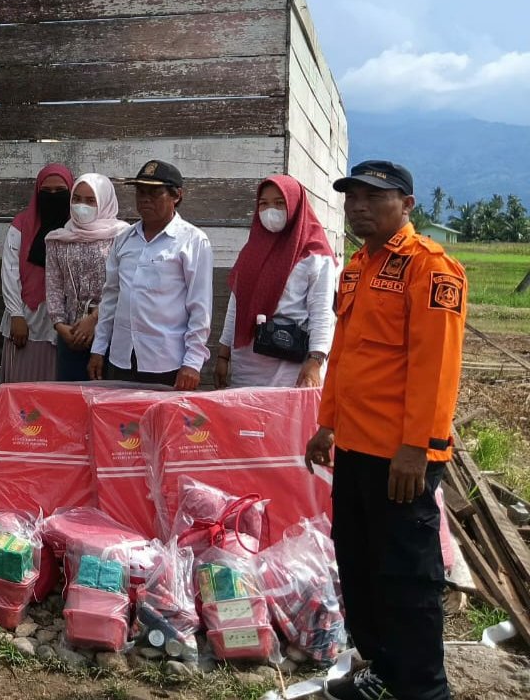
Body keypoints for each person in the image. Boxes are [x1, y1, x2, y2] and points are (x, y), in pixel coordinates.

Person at [304, 160, 466, 700]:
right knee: (359, 565)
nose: (359, 206)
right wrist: (326, 424)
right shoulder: (356, 267)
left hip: (402, 458)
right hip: (353, 449)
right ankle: (383, 669)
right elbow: (346, 356)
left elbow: (435, 367)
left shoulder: (430, 269)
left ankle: (423, 689)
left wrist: (417, 448)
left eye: (375, 197)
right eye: (352, 197)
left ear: (407, 206)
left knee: (408, 579)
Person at [87, 160, 213, 388]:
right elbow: (111, 298)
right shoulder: (124, 239)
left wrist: (193, 363)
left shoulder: (193, 241)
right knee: (122, 422)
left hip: (167, 362)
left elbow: (200, 308)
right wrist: (99, 348)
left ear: (176, 196)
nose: (145, 199)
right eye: (140, 191)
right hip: (121, 358)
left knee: (163, 423)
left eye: (155, 192)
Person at [214, 175, 337, 389]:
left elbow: (322, 313)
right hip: (246, 368)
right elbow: (236, 305)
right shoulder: (251, 252)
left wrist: (316, 361)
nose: (270, 210)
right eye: (263, 204)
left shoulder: (315, 255)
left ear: (295, 205)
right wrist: (223, 355)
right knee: (246, 422)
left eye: (280, 203)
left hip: (290, 368)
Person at [45, 174, 131, 381]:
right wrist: (60, 325)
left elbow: (124, 287)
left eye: (91, 200)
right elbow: (54, 285)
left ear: (104, 201)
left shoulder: (122, 236)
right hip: (71, 335)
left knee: (107, 401)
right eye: (77, 199)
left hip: (110, 333)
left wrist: (94, 320)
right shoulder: (58, 238)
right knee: (70, 403)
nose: (82, 205)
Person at [0, 164, 72, 383]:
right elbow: (10, 271)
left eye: (60, 191)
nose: (52, 197)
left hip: (61, 324)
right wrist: (16, 315)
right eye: (46, 192)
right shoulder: (22, 225)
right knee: (21, 390)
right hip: (24, 321)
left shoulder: (75, 229)